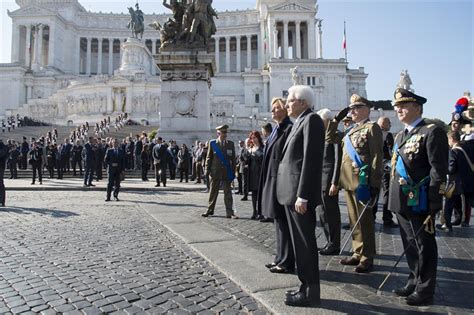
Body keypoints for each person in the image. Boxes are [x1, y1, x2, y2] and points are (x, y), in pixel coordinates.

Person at [388, 88, 449, 306]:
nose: (398, 109)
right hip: (401, 200)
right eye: (397, 106)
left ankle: (425, 289)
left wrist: (434, 202)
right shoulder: (400, 135)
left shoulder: (432, 132)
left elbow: (438, 170)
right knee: (410, 244)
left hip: (421, 200)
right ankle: (413, 279)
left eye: (403, 105)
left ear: (418, 108)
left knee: (424, 245)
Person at [276, 85, 324, 307]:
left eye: (291, 99)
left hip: (299, 195)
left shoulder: (311, 120)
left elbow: (310, 160)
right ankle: (304, 287)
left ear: (303, 102)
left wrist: (303, 195)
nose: (287, 103)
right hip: (291, 194)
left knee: (305, 244)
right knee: (299, 245)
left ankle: (310, 292)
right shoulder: (300, 122)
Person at [339, 94, 383, 273]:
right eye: (351, 108)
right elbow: (331, 139)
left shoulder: (372, 128)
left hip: (363, 182)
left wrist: (374, 184)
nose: (353, 111)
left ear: (367, 109)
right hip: (348, 180)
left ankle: (367, 257)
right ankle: (358, 252)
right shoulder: (351, 130)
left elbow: (376, 157)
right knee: (354, 220)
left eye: (356, 108)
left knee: (365, 221)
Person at [257, 97, 294, 273]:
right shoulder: (276, 130)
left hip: (281, 182)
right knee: (278, 221)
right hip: (272, 179)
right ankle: (279, 257)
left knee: (284, 222)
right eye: (272, 108)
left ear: (285, 109)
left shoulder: (288, 129)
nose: (272, 111)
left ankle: (286, 261)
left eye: (276, 108)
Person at [316, 108, 343, 255]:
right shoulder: (321, 136)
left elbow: (338, 160)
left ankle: (335, 244)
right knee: (322, 213)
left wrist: (335, 182)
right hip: (319, 180)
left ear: (327, 120)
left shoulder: (336, 135)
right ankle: (329, 242)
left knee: (331, 213)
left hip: (329, 181)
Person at [202, 125, 238, 219]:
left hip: (227, 172)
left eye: (226, 132)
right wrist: (207, 170)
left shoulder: (230, 144)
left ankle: (229, 212)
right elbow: (209, 158)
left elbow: (233, 160)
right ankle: (210, 210)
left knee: (228, 193)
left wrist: (234, 172)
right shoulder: (212, 143)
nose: (225, 134)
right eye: (223, 132)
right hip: (215, 172)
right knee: (213, 192)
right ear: (218, 133)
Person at [376, 116, 398, 227]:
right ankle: (387, 219)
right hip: (385, 168)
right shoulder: (387, 135)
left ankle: (371, 216)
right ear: (384, 124)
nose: (390, 125)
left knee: (374, 193)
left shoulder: (373, 134)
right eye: (389, 123)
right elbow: (391, 152)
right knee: (387, 193)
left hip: (374, 167)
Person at [247, 131, 264, 220]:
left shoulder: (263, 148)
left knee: (260, 194)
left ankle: (260, 212)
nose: (253, 139)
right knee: (253, 194)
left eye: (255, 137)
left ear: (258, 138)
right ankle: (254, 211)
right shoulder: (250, 149)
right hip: (252, 173)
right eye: (252, 138)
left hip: (260, 173)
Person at [0, 140, 7, 206]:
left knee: (0, 183)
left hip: (0, 167)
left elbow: (1, 154)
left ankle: (2, 200)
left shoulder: (3, 146)